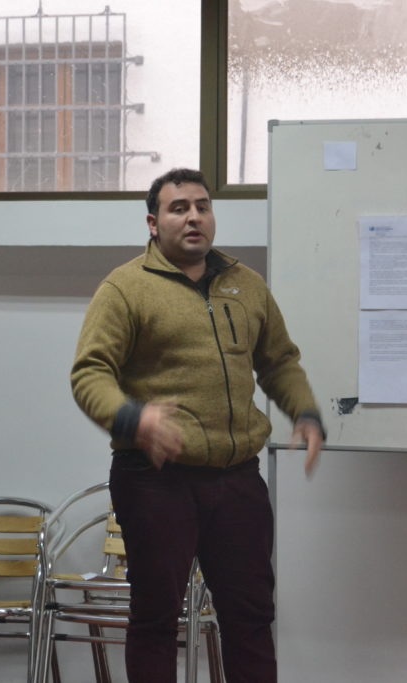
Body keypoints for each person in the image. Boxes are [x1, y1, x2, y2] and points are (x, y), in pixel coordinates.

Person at [71, 167, 324, 682]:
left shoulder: (246, 285)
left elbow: (278, 361)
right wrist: (133, 418)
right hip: (155, 478)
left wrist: (305, 411)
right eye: (179, 208)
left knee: (251, 614)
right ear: (153, 222)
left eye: (202, 207)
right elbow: (90, 373)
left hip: (236, 478)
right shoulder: (125, 288)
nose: (193, 217)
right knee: (156, 618)